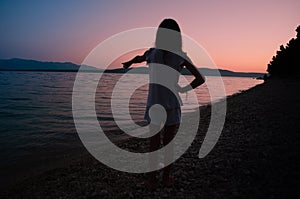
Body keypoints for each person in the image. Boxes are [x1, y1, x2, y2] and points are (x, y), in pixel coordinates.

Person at [122, 18, 205, 190]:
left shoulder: (152, 53)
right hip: (172, 104)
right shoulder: (180, 56)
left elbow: (139, 57)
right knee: (168, 145)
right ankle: (166, 179)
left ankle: (151, 181)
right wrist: (183, 90)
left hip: (154, 104)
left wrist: (129, 62)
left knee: (153, 144)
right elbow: (200, 78)